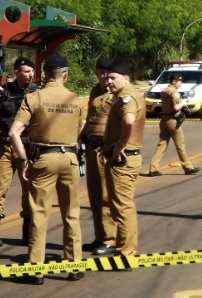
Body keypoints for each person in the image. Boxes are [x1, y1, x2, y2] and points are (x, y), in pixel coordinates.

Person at [9, 54, 84, 284]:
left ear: (44, 75)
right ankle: (74, 266)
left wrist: (23, 161)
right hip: (70, 159)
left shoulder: (35, 97)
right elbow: (79, 133)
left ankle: (36, 269)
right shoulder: (75, 99)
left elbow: (14, 132)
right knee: (71, 214)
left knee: (39, 214)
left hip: (43, 159)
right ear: (66, 75)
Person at [101, 60, 145, 263]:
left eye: (113, 77)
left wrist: (121, 143)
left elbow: (128, 120)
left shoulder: (127, 97)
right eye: (107, 77)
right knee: (122, 206)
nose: (108, 81)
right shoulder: (122, 96)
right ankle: (124, 247)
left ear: (126, 79)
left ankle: (126, 254)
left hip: (123, 160)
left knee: (122, 207)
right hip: (124, 159)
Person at [78, 57, 117, 256]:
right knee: (94, 196)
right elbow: (91, 117)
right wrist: (82, 134)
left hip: (106, 149)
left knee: (105, 196)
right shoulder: (95, 91)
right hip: (91, 148)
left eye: (107, 74)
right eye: (100, 73)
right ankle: (99, 237)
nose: (104, 77)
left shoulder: (116, 94)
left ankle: (111, 239)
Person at [0, 57, 39, 247]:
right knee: (0, 189)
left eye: (32, 71)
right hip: (5, 146)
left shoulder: (37, 92)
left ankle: (28, 230)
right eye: (26, 71)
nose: (30, 74)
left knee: (28, 190)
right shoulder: (4, 91)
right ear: (16, 72)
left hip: (26, 146)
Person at [148, 72, 201, 177]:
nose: (180, 84)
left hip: (164, 119)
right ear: (174, 81)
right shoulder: (174, 93)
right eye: (179, 81)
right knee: (180, 145)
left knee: (161, 145)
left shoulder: (164, 91)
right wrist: (183, 103)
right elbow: (176, 107)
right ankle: (188, 167)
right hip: (173, 120)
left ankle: (153, 168)